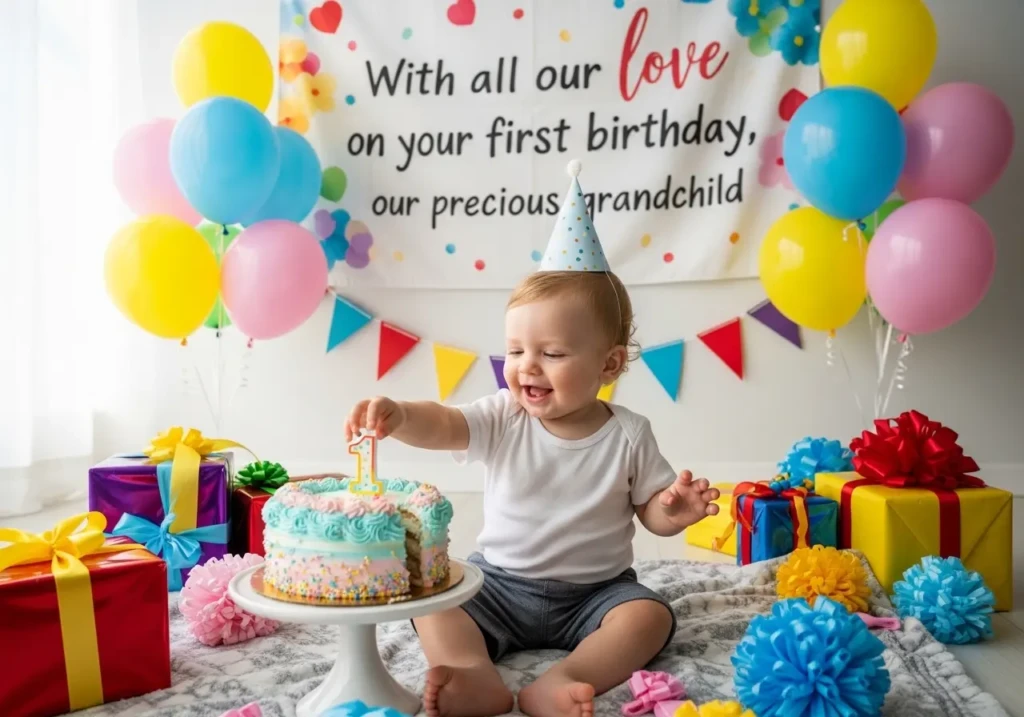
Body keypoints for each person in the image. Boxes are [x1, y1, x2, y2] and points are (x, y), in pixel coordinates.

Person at [344, 161, 720, 717]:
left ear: (609, 363)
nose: (527, 368)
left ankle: (567, 678)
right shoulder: (504, 415)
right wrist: (401, 414)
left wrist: (675, 512)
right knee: (430, 597)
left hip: (596, 593)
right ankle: (475, 676)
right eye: (516, 351)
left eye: (552, 353)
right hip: (497, 586)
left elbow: (650, 514)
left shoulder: (629, 433)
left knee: (650, 616)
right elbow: (447, 422)